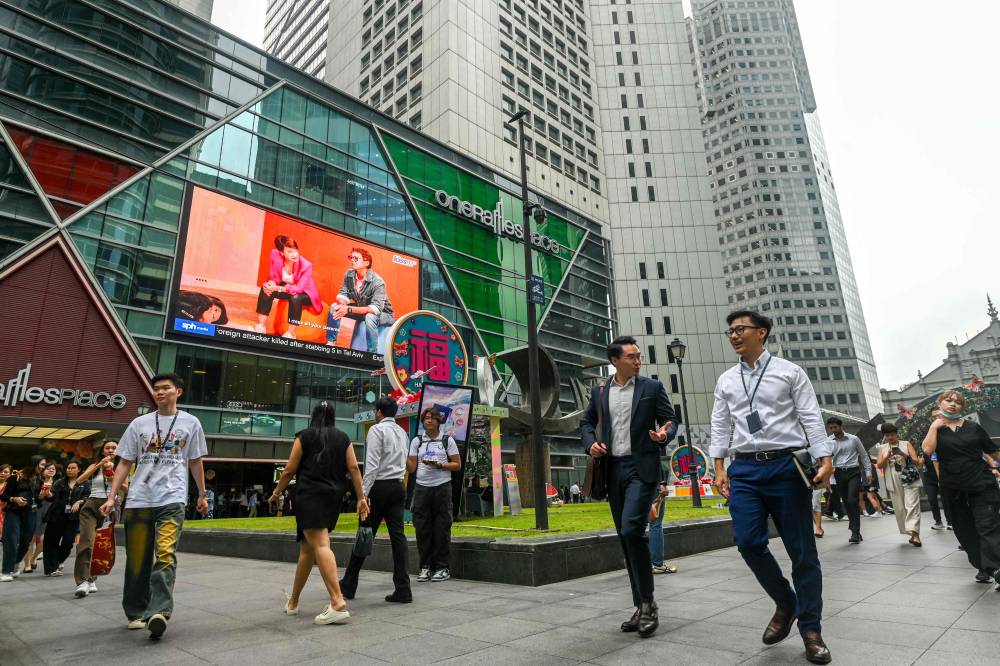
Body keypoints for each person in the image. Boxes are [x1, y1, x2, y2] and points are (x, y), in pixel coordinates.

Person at [710, 310, 833, 664]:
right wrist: (719, 467)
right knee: (748, 542)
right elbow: (720, 424)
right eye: (730, 331)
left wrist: (824, 459)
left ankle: (811, 629)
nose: (733, 335)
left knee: (803, 553)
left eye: (740, 330)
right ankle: (786, 600)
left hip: (786, 465)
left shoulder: (789, 372)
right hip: (744, 469)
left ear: (761, 333)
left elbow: (810, 416)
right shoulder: (727, 380)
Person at [100, 372, 209, 639]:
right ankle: (136, 611)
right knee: (137, 559)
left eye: (165, 388)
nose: (160, 393)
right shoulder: (139, 423)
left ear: (178, 392)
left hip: (172, 498)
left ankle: (159, 610)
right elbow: (124, 461)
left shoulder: (191, 422)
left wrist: (202, 494)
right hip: (139, 500)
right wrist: (112, 496)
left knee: (165, 553)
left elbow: (195, 461)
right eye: (156, 389)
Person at [581, 335, 677, 638]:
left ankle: (648, 604)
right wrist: (590, 444)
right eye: (632, 357)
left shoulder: (651, 388)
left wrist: (664, 435)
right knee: (625, 536)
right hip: (613, 470)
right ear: (615, 361)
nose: (638, 360)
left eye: (638, 356)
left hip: (642, 469)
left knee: (632, 529)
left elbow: (670, 420)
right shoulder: (600, 391)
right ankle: (640, 605)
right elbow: (585, 423)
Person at [270, 401, 368, 624]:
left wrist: (276, 493)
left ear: (313, 416)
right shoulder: (343, 437)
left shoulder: (304, 436)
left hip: (309, 496)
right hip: (332, 498)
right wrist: (361, 497)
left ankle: (337, 602)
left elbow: (289, 470)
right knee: (308, 549)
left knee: (321, 544)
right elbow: (353, 468)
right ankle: (293, 602)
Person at [922, 390, 1000, 586]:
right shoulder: (936, 430)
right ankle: (982, 567)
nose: (953, 404)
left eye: (958, 402)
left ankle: (996, 567)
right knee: (964, 528)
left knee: (987, 525)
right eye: (948, 400)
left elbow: (993, 451)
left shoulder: (974, 427)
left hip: (982, 483)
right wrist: (934, 426)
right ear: (940, 403)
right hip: (953, 487)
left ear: (962, 408)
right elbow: (927, 450)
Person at [339, 396, 412, 603]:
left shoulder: (376, 430)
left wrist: (362, 495)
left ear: (378, 412)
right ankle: (403, 588)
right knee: (398, 537)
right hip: (398, 486)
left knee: (365, 532)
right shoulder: (402, 433)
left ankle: (349, 583)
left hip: (379, 487)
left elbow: (371, 466)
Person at [407, 406, 462, 583]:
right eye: (426, 418)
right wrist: (402, 455)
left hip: (442, 487)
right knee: (422, 528)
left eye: (432, 418)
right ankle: (425, 567)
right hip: (421, 488)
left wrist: (440, 465)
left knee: (441, 527)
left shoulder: (447, 440)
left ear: (439, 421)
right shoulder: (417, 441)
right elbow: (412, 467)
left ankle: (442, 567)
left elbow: (457, 465)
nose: (428, 421)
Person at [72, 441, 119, 598]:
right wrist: (99, 465)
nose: (110, 450)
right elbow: (79, 481)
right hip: (91, 505)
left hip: (108, 507)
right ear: (102, 450)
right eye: (107, 448)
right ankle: (82, 581)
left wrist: (112, 474)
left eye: (113, 448)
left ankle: (92, 579)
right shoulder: (95, 464)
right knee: (86, 542)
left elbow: (125, 487)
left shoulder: (122, 466)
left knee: (101, 546)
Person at [325, 248, 395, 353]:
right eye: (351, 257)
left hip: (383, 314)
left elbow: (374, 309)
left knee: (370, 317)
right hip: (362, 309)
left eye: (356, 258)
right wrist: (343, 306)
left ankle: (372, 352)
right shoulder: (349, 275)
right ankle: (331, 342)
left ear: (366, 263)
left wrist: (348, 309)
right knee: (335, 307)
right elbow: (342, 294)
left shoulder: (378, 282)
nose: (352, 260)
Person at [254, 235, 323, 339]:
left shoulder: (306, 265)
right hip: (287, 288)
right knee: (266, 289)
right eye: (290, 252)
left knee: (295, 297)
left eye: (295, 251)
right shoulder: (275, 255)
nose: (294, 254)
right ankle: (261, 325)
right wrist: (271, 283)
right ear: (282, 253)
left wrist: (277, 288)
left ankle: (290, 333)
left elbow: (299, 289)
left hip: (305, 293)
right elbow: (274, 276)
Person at [826, 417, 873, 544]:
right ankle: (855, 531)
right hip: (838, 473)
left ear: (841, 426)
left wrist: (868, 472)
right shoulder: (829, 441)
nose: (833, 430)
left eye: (835, 427)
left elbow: (863, 455)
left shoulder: (854, 439)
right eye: (831, 428)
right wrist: (830, 478)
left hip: (854, 472)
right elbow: (827, 460)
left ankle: (855, 532)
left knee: (852, 499)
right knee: (847, 502)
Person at [876, 423, 923, 546]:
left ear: (897, 434)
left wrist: (903, 454)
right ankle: (911, 533)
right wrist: (887, 456)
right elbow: (879, 465)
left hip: (908, 477)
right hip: (893, 478)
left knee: (912, 505)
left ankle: (916, 535)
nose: (890, 437)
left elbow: (916, 462)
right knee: (900, 508)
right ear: (884, 436)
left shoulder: (906, 444)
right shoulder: (882, 447)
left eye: (892, 434)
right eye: (887, 435)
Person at [42, 460, 90, 576]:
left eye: (73, 468)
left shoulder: (85, 482)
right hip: (56, 515)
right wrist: (48, 493)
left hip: (73, 517)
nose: (69, 470)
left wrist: (79, 501)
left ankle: (57, 561)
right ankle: (51, 569)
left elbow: (88, 496)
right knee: (51, 542)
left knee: (68, 542)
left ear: (79, 470)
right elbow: (51, 497)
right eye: (68, 468)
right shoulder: (60, 482)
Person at [1, 464, 36, 582]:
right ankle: (6, 570)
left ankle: (15, 562)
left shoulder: (40, 480)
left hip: (31, 512)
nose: (43, 468)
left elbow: (46, 499)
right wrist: (14, 499)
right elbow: (4, 496)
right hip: (13, 511)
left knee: (26, 541)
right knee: (11, 539)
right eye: (41, 465)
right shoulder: (15, 478)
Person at [23, 461, 58, 573]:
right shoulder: (36, 481)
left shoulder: (57, 482)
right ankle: (27, 564)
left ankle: (34, 557)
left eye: (53, 469)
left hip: (50, 510)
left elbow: (55, 498)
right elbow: (38, 497)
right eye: (49, 468)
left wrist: (49, 493)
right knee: (32, 537)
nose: (51, 470)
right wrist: (44, 492)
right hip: (36, 509)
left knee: (45, 538)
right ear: (43, 470)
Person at [648, 480, 678, 574]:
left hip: (630, 485)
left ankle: (633, 562)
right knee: (655, 523)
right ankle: (657, 564)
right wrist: (662, 483)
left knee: (635, 523)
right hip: (652, 484)